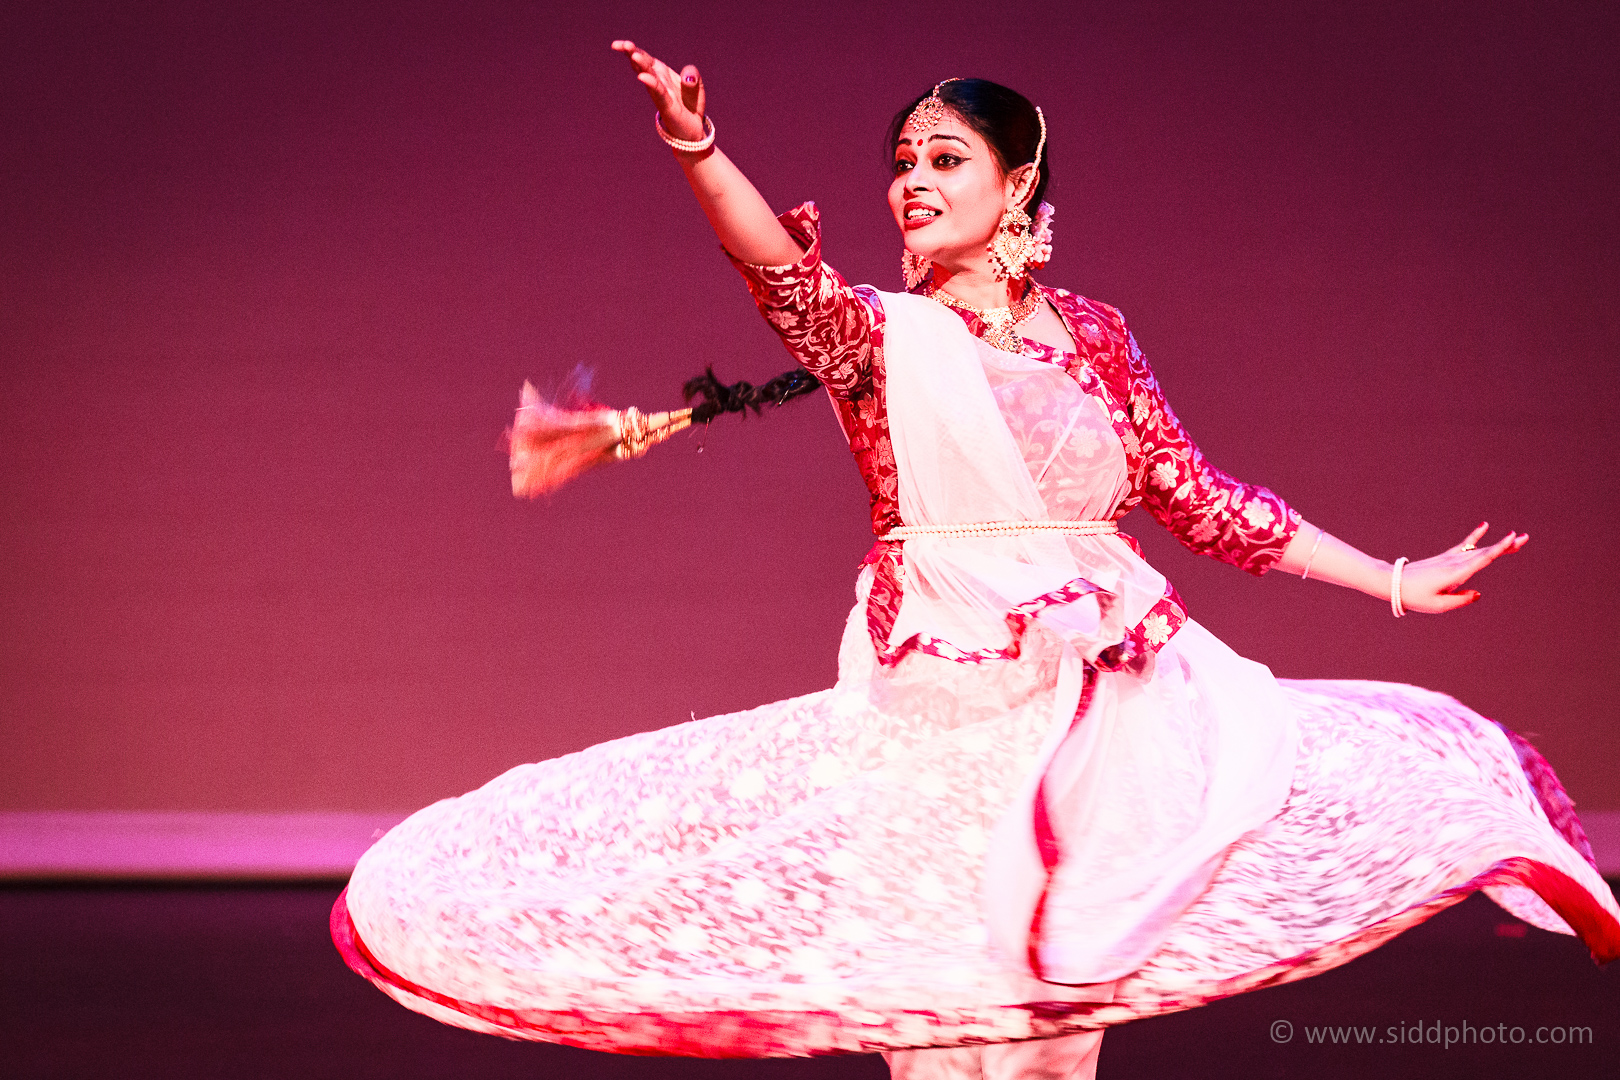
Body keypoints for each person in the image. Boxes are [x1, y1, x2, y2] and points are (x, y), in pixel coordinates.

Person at [332, 43, 1620, 1080]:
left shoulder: (1096, 335)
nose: (911, 181)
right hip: (944, 700)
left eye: (945, 158)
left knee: (1059, 1031)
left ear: (1020, 193)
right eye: (900, 162)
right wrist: (697, 147)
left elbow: (1194, 494)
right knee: (951, 1024)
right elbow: (781, 279)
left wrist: (1390, 579)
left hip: (1102, 691)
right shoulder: (878, 341)